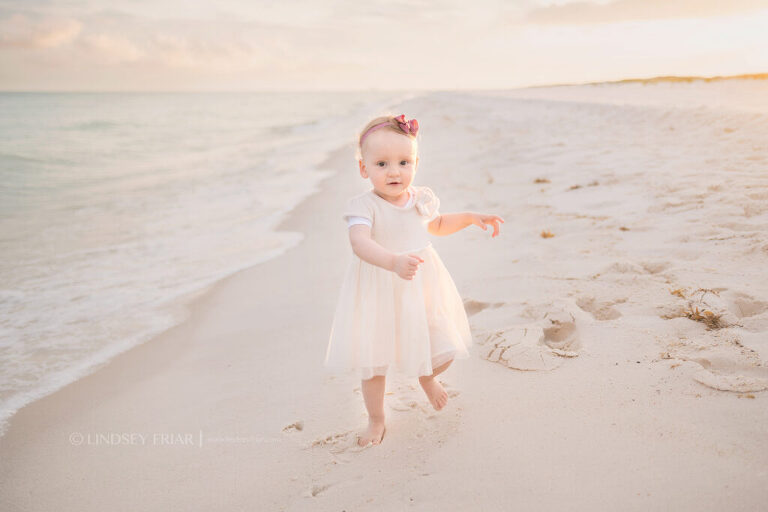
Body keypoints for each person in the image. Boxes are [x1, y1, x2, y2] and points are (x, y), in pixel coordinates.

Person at [324, 113, 504, 447]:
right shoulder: (364, 206)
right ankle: (376, 419)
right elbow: (359, 242)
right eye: (381, 164)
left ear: (416, 163)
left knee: (441, 339)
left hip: (421, 283)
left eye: (403, 162)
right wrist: (392, 261)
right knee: (374, 362)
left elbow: (436, 225)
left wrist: (469, 218)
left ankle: (428, 377)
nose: (394, 171)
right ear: (364, 169)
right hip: (380, 286)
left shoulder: (419, 199)